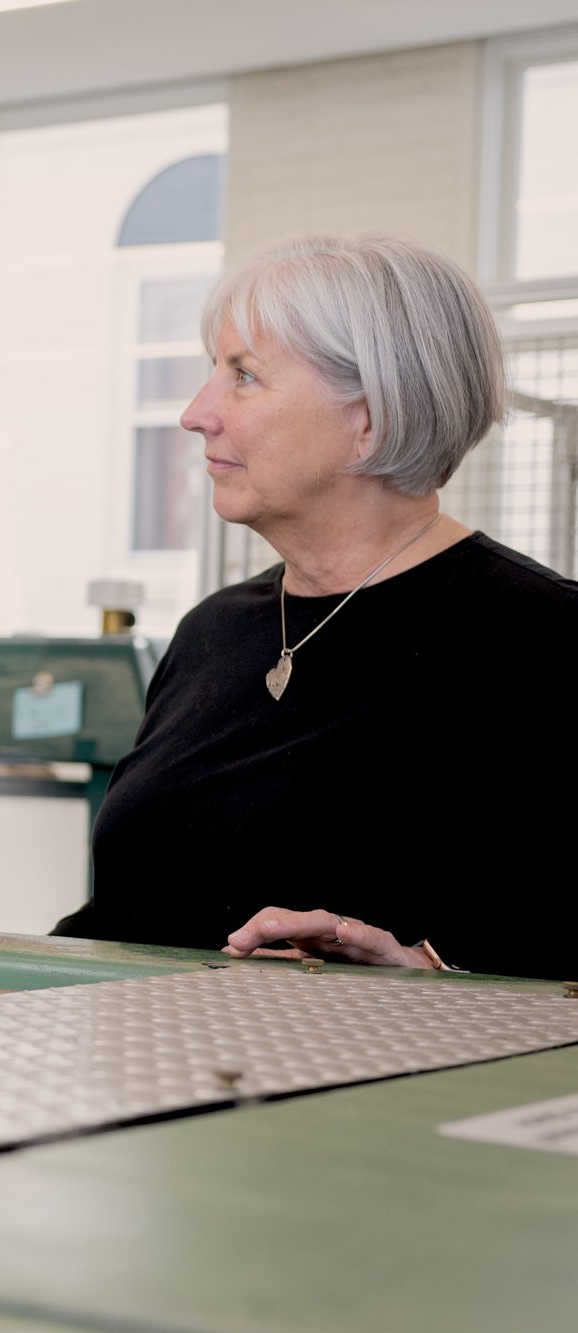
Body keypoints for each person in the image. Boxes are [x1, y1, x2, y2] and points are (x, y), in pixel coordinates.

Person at [56, 234, 578, 980]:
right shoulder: (213, 630)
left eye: (243, 376)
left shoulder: (540, 638)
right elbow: (127, 908)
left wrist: (436, 973)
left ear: (369, 420)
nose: (196, 413)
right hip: (150, 1076)